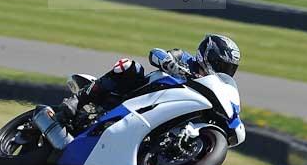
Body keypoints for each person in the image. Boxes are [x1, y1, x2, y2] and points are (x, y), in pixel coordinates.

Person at [56, 34, 243, 145]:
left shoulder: (211, 88)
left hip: (159, 114)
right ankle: (77, 100)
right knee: (129, 66)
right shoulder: (185, 59)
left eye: (229, 68)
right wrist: (170, 63)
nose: (224, 71)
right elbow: (156, 52)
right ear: (209, 55)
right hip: (140, 94)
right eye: (222, 65)